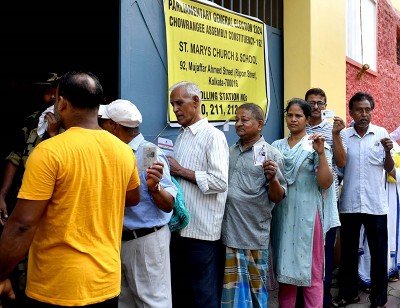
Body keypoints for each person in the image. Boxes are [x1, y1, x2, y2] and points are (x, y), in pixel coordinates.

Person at [0, 71, 141, 307]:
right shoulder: (123, 151)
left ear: (61, 102)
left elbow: (22, 225)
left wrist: (2, 274)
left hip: (57, 286)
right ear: (99, 106)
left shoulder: (49, 152)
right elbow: (132, 198)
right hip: (106, 282)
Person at [97, 99, 177, 308]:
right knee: (125, 301)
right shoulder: (112, 152)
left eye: (102, 121)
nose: (99, 126)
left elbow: (169, 204)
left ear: (114, 126)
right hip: (121, 241)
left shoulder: (148, 153)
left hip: (146, 240)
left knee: (153, 302)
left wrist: (154, 187)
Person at [0, 72, 63, 307]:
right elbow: (15, 157)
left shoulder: (70, 126)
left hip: (51, 207)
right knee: (20, 253)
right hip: (24, 199)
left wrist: (53, 134)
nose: (48, 97)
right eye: (46, 92)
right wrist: (2, 195)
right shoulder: (32, 120)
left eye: (54, 93)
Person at [271, 98, 338, 307]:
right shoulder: (277, 146)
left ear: (307, 119)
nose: (293, 119)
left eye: (298, 115)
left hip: (309, 215)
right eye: (290, 115)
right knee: (285, 274)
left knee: (312, 274)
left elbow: (326, 182)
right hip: (283, 214)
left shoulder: (316, 145)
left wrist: (321, 154)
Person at [167, 81, 229, 308]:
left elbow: (220, 181)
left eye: (179, 103)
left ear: (196, 102)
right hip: (179, 229)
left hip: (202, 232)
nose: (175, 109)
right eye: (173, 104)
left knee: (203, 296)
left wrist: (180, 171)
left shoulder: (213, 136)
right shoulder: (182, 135)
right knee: (182, 293)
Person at [220, 103, 287, 307]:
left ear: (259, 124)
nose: (238, 124)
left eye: (244, 120)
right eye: (236, 119)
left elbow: (278, 197)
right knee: (232, 297)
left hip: (254, 236)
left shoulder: (272, 155)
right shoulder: (229, 151)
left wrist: (273, 177)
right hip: (228, 234)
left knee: (255, 296)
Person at [333, 92, 394, 308]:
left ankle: (379, 299)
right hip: (350, 203)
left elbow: (389, 169)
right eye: (359, 110)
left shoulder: (381, 134)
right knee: (348, 253)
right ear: (351, 112)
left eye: (368, 110)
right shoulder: (344, 136)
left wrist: (388, 152)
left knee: (378, 254)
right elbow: (339, 167)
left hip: (376, 205)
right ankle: (349, 294)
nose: (364, 114)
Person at [303, 88, 347, 308]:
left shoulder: (333, 128)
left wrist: (337, 135)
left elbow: (341, 162)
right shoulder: (299, 126)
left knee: (326, 250)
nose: (317, 107)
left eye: (321, 103)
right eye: (312, 103)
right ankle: (306, 296)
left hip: (327, 198)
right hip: (302, 199)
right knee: (306, 250)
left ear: (326, 105)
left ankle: (325, 298)